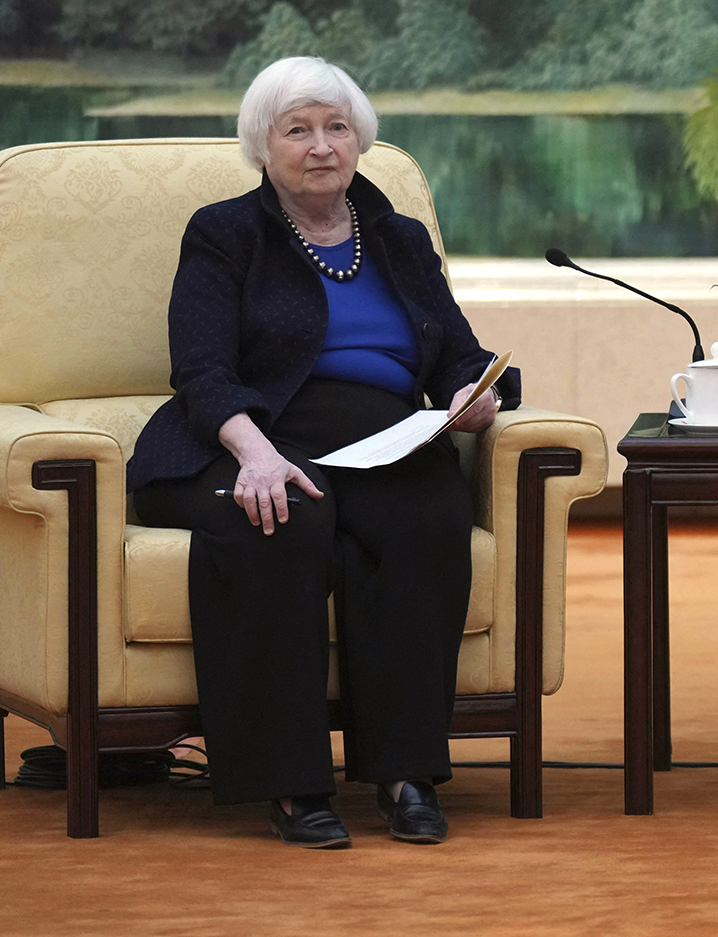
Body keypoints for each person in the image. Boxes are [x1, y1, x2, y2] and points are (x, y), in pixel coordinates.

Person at [128, 56, 517, 848]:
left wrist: (474, 396)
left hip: (380, 438)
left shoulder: (400, 239)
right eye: (297, 129)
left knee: (426, 515)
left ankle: (407, 774)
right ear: (262, 146)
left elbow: (460, 352)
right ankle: (291, 783)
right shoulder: (225, 233)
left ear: (359, 140)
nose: (320, 146)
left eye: (337, 127)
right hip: (252, 432)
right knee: (280, 518)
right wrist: (255, 455)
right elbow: (201, 369)